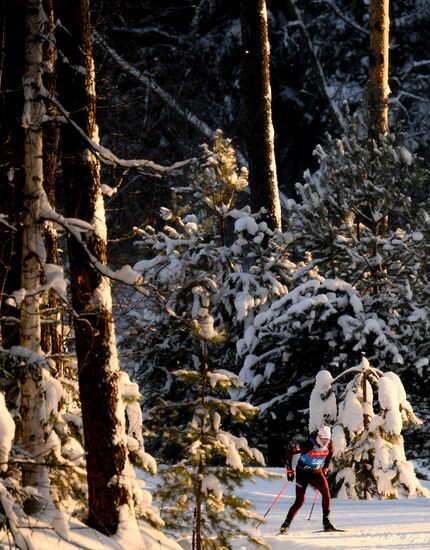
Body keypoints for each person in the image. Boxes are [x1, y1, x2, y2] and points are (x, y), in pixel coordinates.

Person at [279, 425, 336, 534]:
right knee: (300, 501)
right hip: (302, 473)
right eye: (323, 440)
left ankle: (326, 521)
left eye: (327, 440)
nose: (325, 442)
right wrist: (290, 470)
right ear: (319, 437)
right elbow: (289, 453)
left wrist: (325, 468)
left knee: (326, 493)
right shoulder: (308, 445)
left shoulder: (330, 444)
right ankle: (286, 523)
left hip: (316, 472)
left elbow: (330, 454)